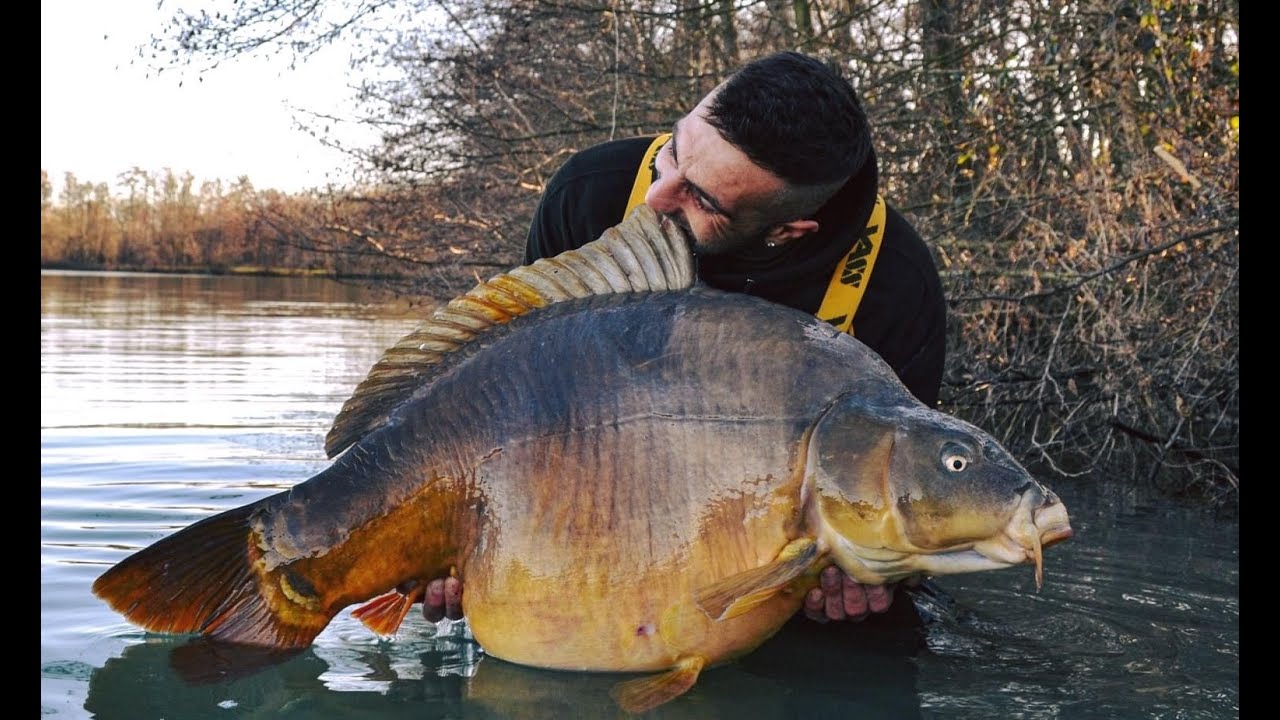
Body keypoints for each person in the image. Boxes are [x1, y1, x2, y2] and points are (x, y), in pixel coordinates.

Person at [423, 50, 947, 629]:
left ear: (785, 231)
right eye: (673, 149)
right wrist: (463, 535)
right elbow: (517, 396)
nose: (657, 196)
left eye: (702, 198)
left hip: (760, 561)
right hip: (587, 504)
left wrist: (867, 577)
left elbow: (899, 500)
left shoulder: (895, 283)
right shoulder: (590, 193)